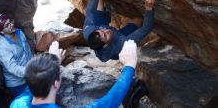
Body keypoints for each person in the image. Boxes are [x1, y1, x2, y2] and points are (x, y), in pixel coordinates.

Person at [10, 40, 138, 108]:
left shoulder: (17, 104)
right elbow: (108, 102)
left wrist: (53, 62)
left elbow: (33, 82)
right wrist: (129, 66)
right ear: (56, 83)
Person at [83, 0, 155, 62]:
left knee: (99, 1)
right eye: (105, 35)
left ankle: (106, 12)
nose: (106, 31)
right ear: (106, 45)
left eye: (101, 31)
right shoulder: (122, 44)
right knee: (138, 20)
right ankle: (107, 14)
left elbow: (90, 11)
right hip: (118, 37)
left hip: (101, 27)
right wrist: (149, 8)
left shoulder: (88, 31)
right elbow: (146, 29)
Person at [0, 13, 33, 97]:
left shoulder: (19, 33)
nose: (11, 25)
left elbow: (27, 51)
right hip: (17, 84)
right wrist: (32, 71)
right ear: (1, 31)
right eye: (7, 25)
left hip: (29, 76)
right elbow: (12, 68)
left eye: (11, 21)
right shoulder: (1, 47)